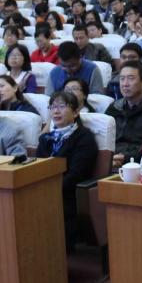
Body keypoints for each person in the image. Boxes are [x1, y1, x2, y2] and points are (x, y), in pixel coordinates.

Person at [36, 91, 98, 250]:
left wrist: (50, 190)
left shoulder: (84, 137)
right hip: (45, 193)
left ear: (76, 112)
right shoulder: (45, 139)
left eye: (62, 106)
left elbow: (77, 174)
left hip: (69, 196)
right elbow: (36, 169)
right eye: (52, 107)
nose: (56, 111)